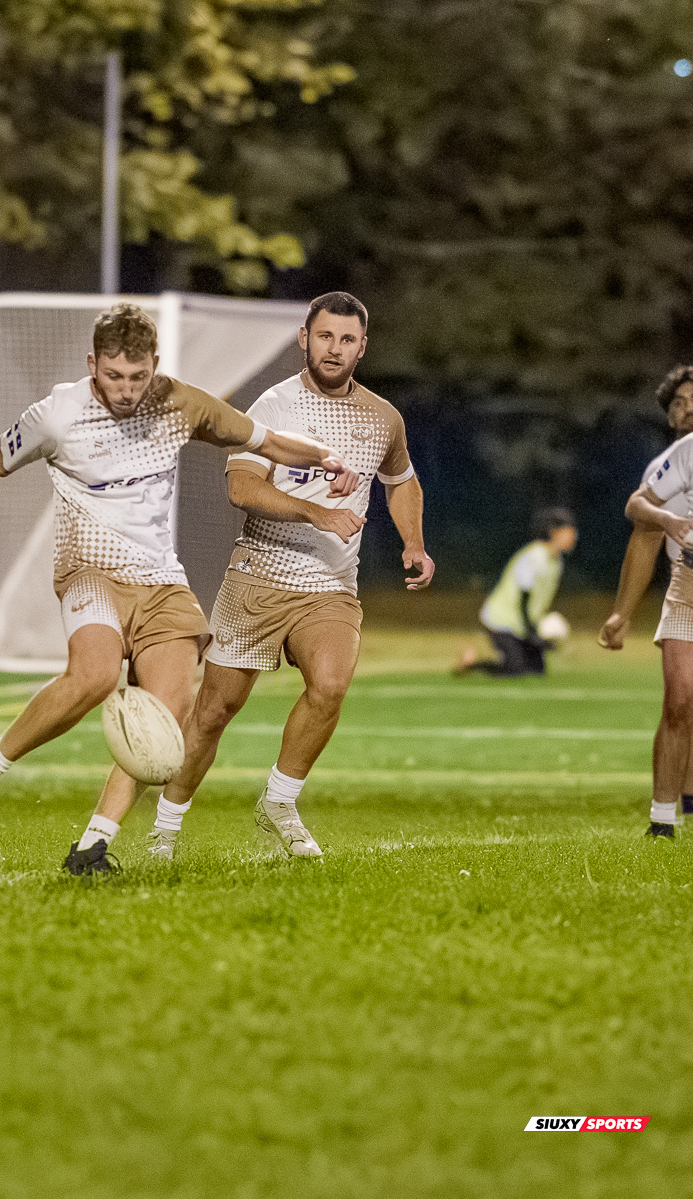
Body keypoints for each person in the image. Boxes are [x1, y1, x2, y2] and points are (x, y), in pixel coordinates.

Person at [0, 302, 357, 874]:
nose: (126, 389)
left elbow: (265, 440)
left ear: (154, 366)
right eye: (114, 375)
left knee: (169, 714)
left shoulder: (179, 403)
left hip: (161, 580)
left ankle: (92, 847)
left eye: (137, 376)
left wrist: (326, 457)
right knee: (91, 677)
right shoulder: (58, 414)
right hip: (90, 569)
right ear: (93, 364)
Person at [149, 292, 434, 862]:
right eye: (325, 336)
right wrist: (316, 511)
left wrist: (414, 542)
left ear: (362, 347)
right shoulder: (273, 407)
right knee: (214, 710)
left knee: (330, 685)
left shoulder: (383, 417)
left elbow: (400, 481)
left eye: (347, 339)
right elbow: (242, 488)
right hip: (257, 577)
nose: (335, 348)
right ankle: (166, 827)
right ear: (305, 338)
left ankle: (279, 801)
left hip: (330, 586)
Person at [600, 364, 693, 837]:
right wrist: (622, 611)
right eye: (679, 402)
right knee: (680, 699)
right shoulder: (673, 464)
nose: (688, 407)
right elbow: (644, 539)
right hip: (687, 588)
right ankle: (665, 820)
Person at [456, 508, 576, 677]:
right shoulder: (535, 556)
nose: (572, 536)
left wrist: (540, 629)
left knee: (536, 670)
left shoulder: (556, 562)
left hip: (522, 624)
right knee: (515, 669)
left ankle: (491, 658)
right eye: (568, 531)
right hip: (503, 621)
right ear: (553, 531)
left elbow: (540, 600)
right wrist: (532, 633)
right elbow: (524, 596)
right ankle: (474, 662)